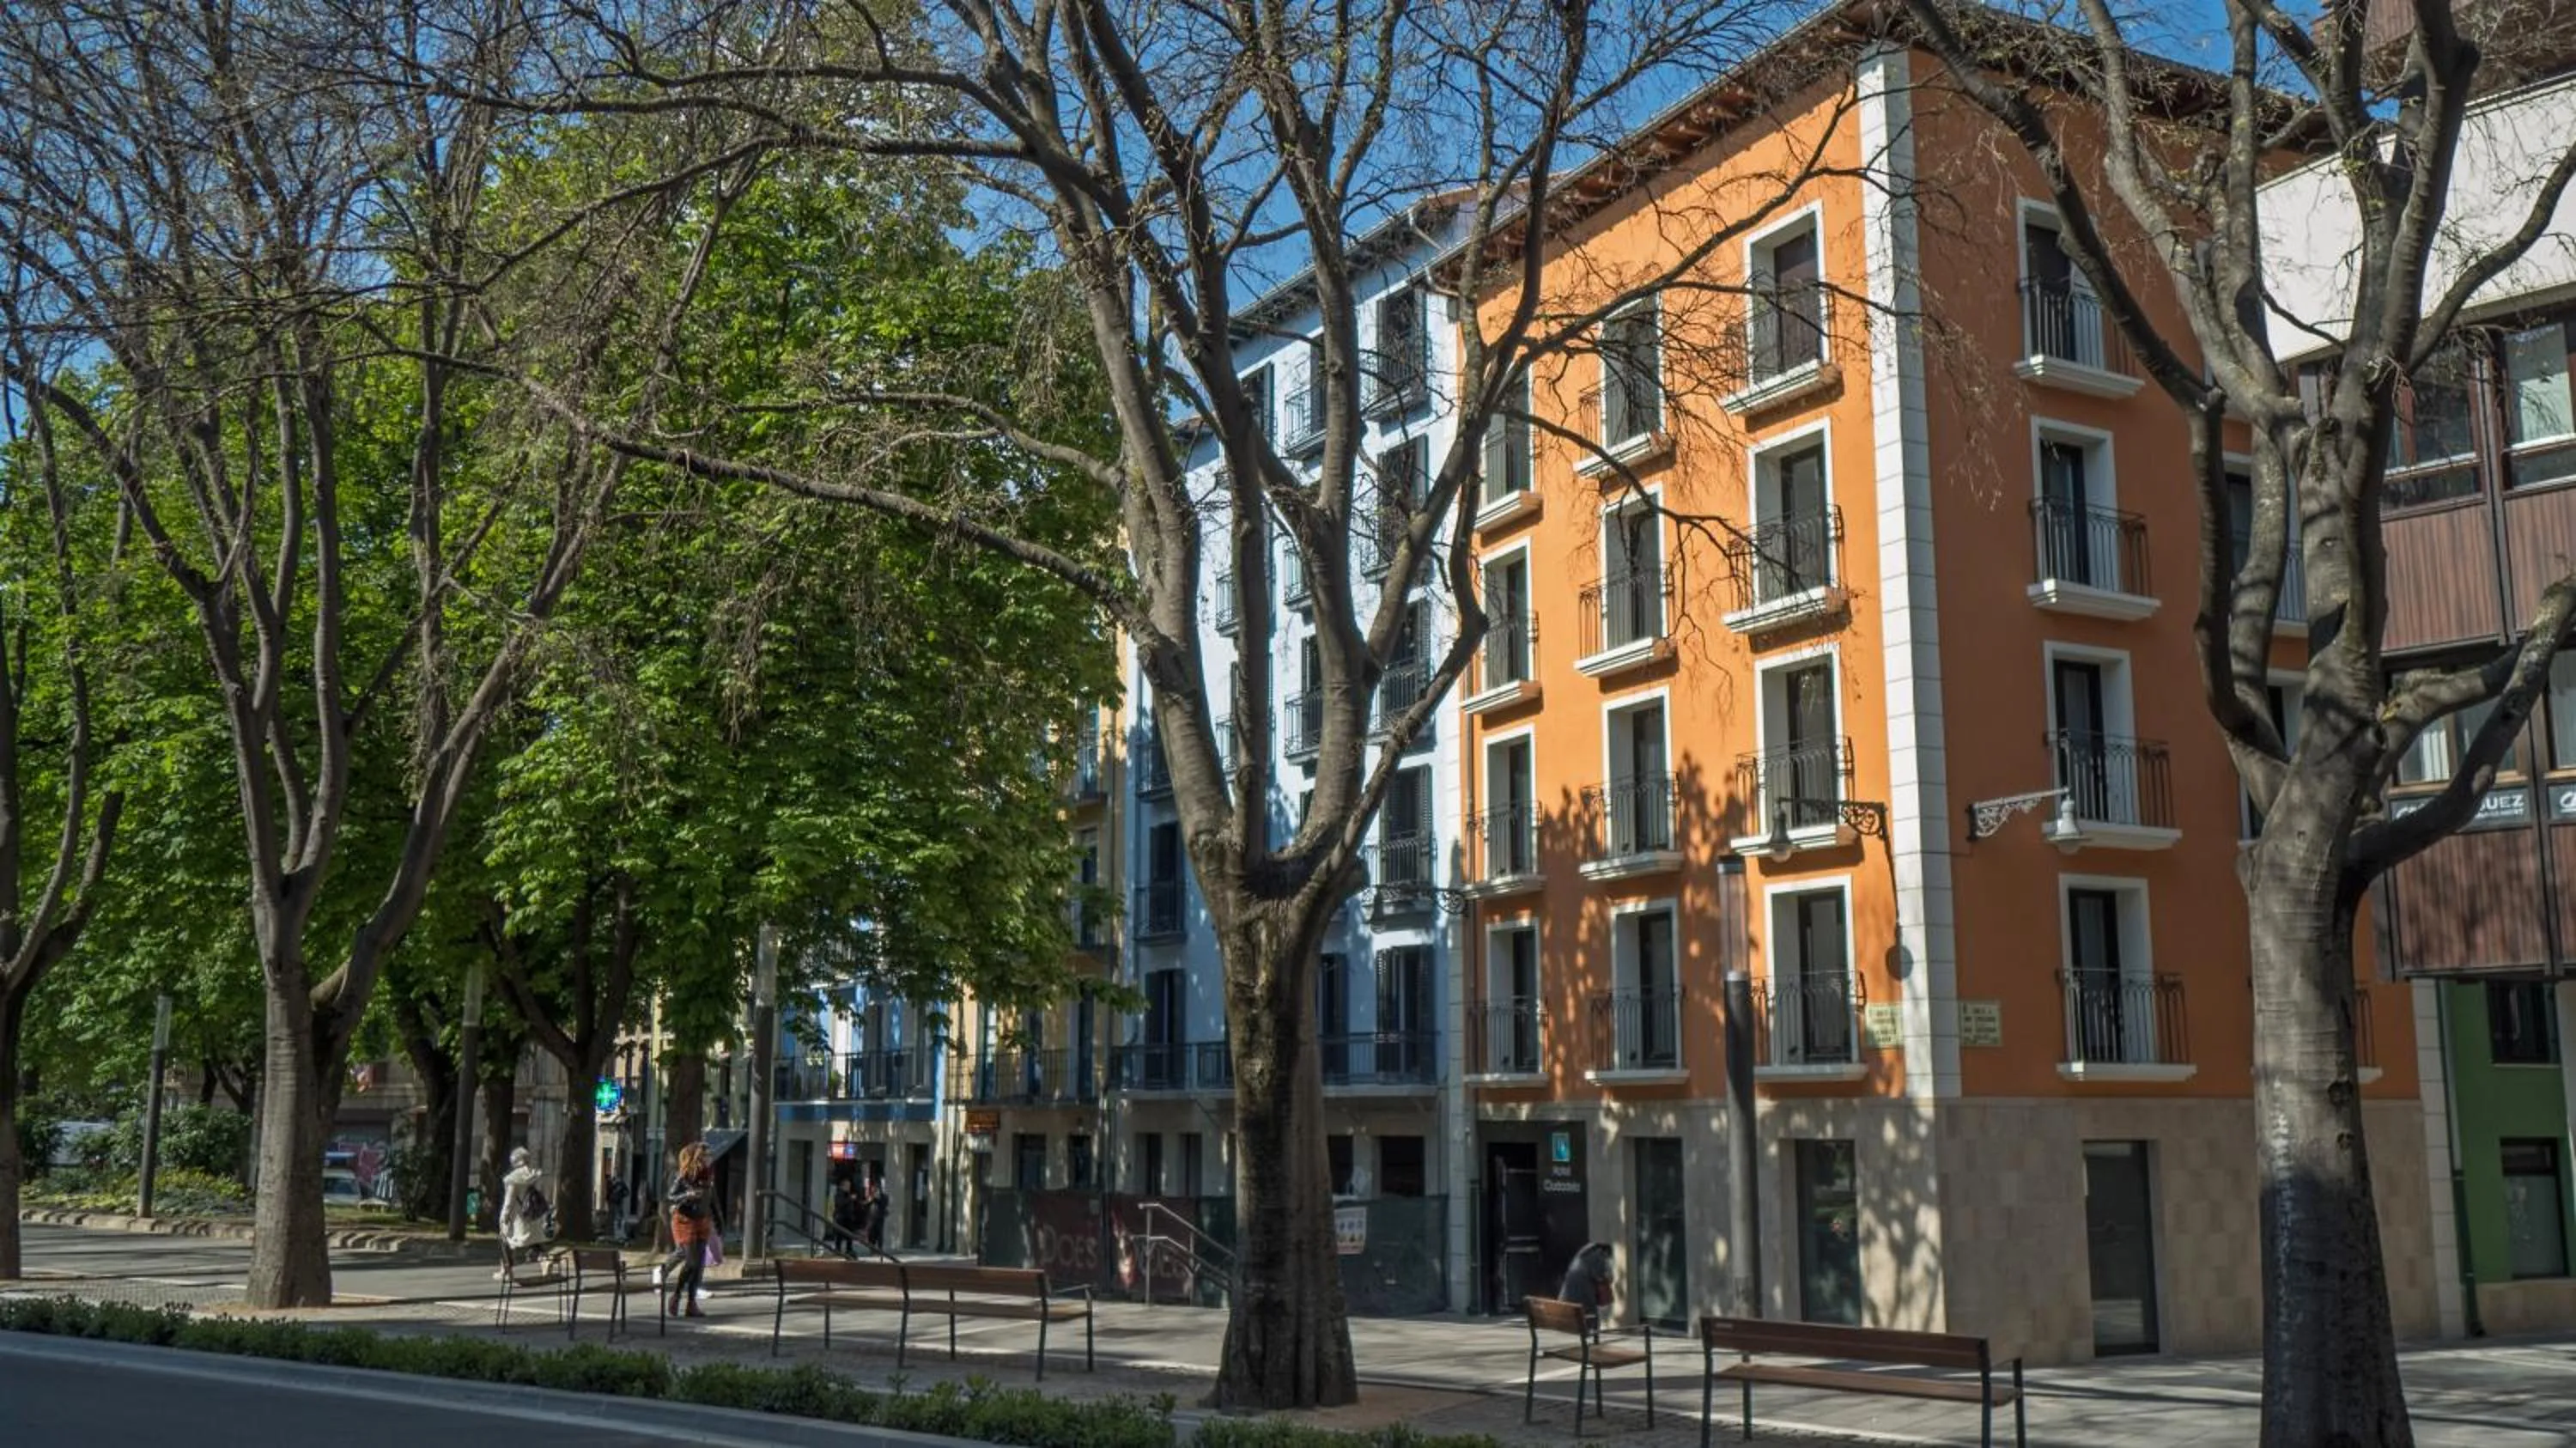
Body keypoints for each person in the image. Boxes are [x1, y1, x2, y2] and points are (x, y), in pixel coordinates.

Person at [659, 1141, 718, 1318]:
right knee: (691, 1261)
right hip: (684, 1220)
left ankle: (691, 1304)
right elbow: (670, 1196)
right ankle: (676, 1295)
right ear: (697, 1158)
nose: (709, 1158)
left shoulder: (708, 1176)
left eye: (710, 1155)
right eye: (706, 1155)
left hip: (702, 1220)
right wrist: (687, 1195)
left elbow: (712, 1199)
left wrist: (717, 1219)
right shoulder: (684, 1177)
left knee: (698, 1264)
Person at [494, 1147, 550, 1280]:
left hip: (519, 1217)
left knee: (504, 1239)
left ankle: (506, 1270)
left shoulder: (513, 1179)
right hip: (534, 1215)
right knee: (534, 1240)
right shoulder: (535, 1174)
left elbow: (509, 1201)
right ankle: (545, 1261)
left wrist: (504, 1217)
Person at [1558, 1241, 1614, 1327]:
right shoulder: (1598, 1255)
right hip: (1583, 1301)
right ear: (1605, 1251)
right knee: (1592, 1316)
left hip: (1565, 1302)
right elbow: (1601, 1277)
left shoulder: (1581, 1256)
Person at [828, 1174, 864, 1255]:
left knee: (849, 1236)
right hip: (841, 1217)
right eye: (847, 1185)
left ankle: (849, 1249)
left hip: (848, 1218)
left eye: (849, 1185)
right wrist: (850, 1199)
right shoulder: (839, 1193)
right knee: (840, 1235)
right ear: (842, 1186)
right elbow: (840, 1203)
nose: (849, 1187)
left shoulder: (848, 1194)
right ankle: (838, 1249)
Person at [863, 1174, 891, 1253]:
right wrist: (870, 1200)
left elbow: (884, 1204)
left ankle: (880, 1249)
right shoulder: (871, 1197)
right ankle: (872, 1248)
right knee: (871, 1233)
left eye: (876, 1189)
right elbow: (865, 1205)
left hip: (879, 1217)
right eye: (873, 1189)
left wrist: (877, 1198)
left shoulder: (884, 1197)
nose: (875, 1191)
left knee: (879, 1234)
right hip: (871, 1218)